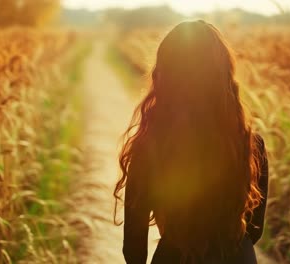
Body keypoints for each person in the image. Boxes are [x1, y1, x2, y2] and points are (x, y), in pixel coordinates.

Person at [114, 20, 269, 264]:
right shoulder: (251, 144)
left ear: (164, 76)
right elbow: (254, 229)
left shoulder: (149, 146)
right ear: (223, 76)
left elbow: (133, 245)